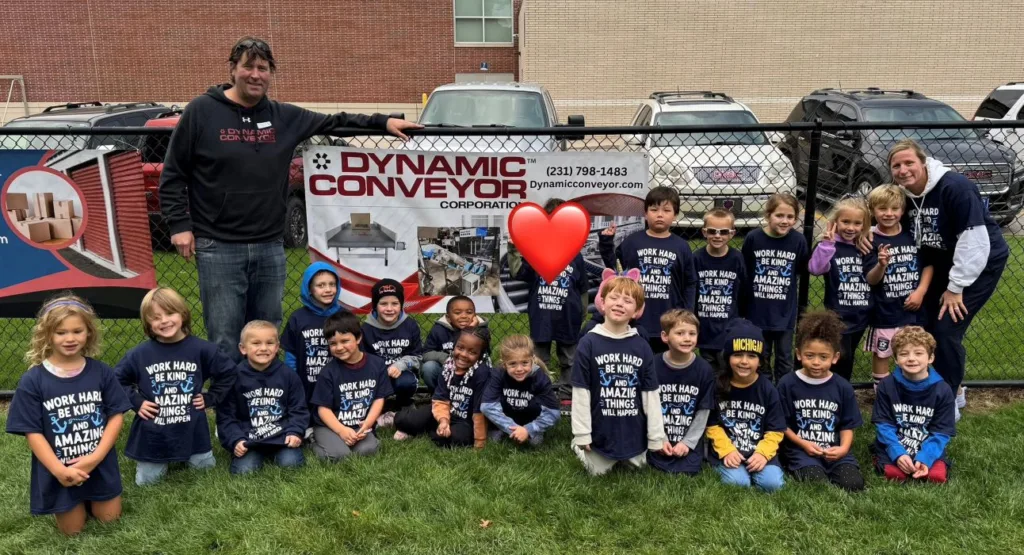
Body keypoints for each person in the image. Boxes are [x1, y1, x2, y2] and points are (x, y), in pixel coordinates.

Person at [159, 36, 421, 362]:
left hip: (270, 245)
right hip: (218, 245)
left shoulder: (284, 117)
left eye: (263, 68)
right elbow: (173, 174)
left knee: (268, 333)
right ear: (233, 69)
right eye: (248, 67)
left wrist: (383, 122)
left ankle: (266, 400)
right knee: (225, 335)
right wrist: (179, 224)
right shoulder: (202, 111)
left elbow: (336, 122)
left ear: (270, 73)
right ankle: (230, 406)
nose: (256, 75)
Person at [888, 139, 1008, 419]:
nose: (903, 170)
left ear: (923, 162)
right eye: (897, 166)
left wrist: (956, 288)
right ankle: (935, 387)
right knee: (925, 323)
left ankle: (950, 398)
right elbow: (881, 211)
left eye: (909, 163)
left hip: (979, 262)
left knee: (945, 329)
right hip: (942, 261)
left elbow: (974, 242)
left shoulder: (955, 187)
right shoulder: (904, 194)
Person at [5, 294, 131, 535]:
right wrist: (59, 470)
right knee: (72, 532)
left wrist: (95, 458)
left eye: (77, 331)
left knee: (110, 521)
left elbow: (116, 415)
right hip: (60, 469)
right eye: (61, 332)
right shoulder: (33, 380)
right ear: (47, 335)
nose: (70, 338)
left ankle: (93, 496)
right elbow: (32, 432)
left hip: (99, 465)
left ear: (89, 333)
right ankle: (74, 499)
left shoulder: (101, 372)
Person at [115, 287, 237, 485]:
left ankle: (189, 454)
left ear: (183, 314)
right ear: (147, 323)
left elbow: (229, 373)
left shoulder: (202, 349)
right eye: (156, 317)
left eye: (170, 313)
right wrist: (136, 402)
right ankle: (159, 458)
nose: (164, 321)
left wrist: (211, 397)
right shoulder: (139, 355)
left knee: (205, 472)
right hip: (154, 433)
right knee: (147, 482)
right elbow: (116, 380)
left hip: (193, 430)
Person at [570, 273, 668, 476]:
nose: (619, 304)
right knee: (596, 471)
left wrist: (656, 437)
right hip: (600, 430)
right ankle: (577, 445)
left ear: (637, 311)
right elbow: (581, 391)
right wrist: (582, 434)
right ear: (602, 303)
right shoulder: (588, 343)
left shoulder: (642, 346)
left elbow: (651, 394)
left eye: (628, 300)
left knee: (639, 467)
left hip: (633, 431)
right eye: (614, 298)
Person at [599, 186, 697, 354]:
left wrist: (686, 313)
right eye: (654, 209)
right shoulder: (632, 242)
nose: (660, 214)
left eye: (666, 210)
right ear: (645, 214)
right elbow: (615, 271)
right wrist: (606, 243)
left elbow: (690, 282)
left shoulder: (682, 247)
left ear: (675, 215)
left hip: (669, 320)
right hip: (636, 320)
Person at [507, 198, 588, 394]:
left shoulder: (575, 255)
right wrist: (513, 249)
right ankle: (540, 388)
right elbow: (518, 272)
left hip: (568, 315)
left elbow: (582, 287)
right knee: (539, 355)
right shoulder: (535, 251)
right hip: (542, 314)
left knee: (569, 356)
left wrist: (582, 312)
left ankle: (568, 388)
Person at [777, 311, 865, 492]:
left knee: (853, 484)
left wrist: (843, 448)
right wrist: (803, 444)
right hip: (801, 450)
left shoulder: (842, 387)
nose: (816, 362)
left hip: (834, 451)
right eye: (810, 356)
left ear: (835, 357)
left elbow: (847, 426)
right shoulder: (787, 383)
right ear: (799, 354)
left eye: (823, 357)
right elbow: (783, 425)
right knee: (815, 482)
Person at [216, 320, 308, 475]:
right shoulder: (232, 379)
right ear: (243, 348)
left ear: (277, 347)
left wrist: (294, 432)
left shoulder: (289, 376)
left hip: (281, 437)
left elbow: (298, 409)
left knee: (292, 465)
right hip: (249, 439)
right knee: (244, 472)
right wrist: (236, 440)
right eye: (256, 343)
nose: (264, 348)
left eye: (269, 343)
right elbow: (226, 416)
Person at [705, 319, 786, 492]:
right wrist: (726, 450)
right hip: (729, 450)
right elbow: (711, 425)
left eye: (751, 356)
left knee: (772, 484)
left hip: (758, 450)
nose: (744, 361)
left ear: (761, 361)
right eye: (737, 354)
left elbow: (776, 430)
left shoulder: (768, 390)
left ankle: (758, 467)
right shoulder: (717, 386)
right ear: (727, 358)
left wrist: (762, 454)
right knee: (738, 483)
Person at [864, 184, 933, 385]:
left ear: (902, 211)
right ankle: (883, 394)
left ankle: (913, 390)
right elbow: (871, 279)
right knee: (882, 354)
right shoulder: (870, 239)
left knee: (915, 351)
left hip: (913, 310)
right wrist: (881, 264)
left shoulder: (913, 235)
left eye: (894, 209)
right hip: (885, 311)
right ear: (873, 211)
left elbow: (928, 265)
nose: (889, 214)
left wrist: (921, 291)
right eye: (882, 209)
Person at [871, 326, 956, 483]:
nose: (911, 358)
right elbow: (884, 424)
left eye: (918, 353)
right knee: (896, 475)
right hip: (896, 442)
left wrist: (926, 457)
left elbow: (942, 431)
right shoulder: (887, 385)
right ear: (896, 359)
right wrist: (898, 454)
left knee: (936, 477)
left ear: (930, 358)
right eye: (904, 354)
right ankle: (881, 455)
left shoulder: (943, 390)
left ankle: (925, 459)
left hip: (926, 442)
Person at [741, 193, 809, 382]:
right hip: (757, 311)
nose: (785, 221)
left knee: (784, 359)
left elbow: (802, 268)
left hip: (784, 313)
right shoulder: (754, 238)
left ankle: (783, 394)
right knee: (760, 357)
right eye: (779, 215)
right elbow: (746, 271)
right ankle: (764, 391)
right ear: (768, 215)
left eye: (790, 217)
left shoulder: (798, 241)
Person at [309, 311, 393, 460]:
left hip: (358, 424)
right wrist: (341, 431)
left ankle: (346, 441)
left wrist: (368, 423)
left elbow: (379, 398)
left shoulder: (377, 365)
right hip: (329, 425)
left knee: (367, 450)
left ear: (358, 338)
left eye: (345, 341)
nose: (339, 347)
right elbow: (323, 409)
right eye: (333, 343)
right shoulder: (328, 372)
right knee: (340, 456)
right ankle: (313, 441)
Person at [808, 197, 875, 381]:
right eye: (845, 221)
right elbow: (815, 268)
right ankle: (832, 387)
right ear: (835, 221)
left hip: (862, 312)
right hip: (838, 314)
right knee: (839, 356)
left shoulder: (865, 245)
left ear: (864, 225)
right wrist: (827, 245)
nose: (850, 228)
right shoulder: (829, 245)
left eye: (857, 223)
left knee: (849, 355)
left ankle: (842, 390)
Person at [393, 327, 493, 448]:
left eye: (472, 352)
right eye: (460, 348)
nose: (464, 355)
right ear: (454, 346)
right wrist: (443, 420)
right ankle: (431, 427)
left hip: (465, 420)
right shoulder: (448, 367)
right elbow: (440, 399)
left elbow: (480, 410)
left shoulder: (482, 374)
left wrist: (480, 441)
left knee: (455, 439)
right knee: (401, 419)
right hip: (443, 412)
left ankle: (429, 430)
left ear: (481, 355)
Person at [647, 310, 715, 476]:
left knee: (688, 469)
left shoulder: (704, 370)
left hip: (688, 439)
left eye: (692, 333)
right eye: (680, 333)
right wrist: (659, 439)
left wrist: (687, 443)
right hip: (657, 436)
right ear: (665, 336)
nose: (687, 338)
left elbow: (703, 410)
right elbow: (647, 406)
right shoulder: (653, 366)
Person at [281, 262, 342, 425]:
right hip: (306, 379)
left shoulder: (344, 316)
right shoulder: (298, 318)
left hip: (336, 379)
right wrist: (292, 381)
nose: (328, 289)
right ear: (309, 289)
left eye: (332, 284)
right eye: (321, 285)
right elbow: (291, 353)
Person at [360, 278, 422, 427]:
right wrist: (379, 370)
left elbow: (418, 356)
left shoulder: (411, 325)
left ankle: (405, 403)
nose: (389, 308)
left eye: (395, 303)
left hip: (402, 373)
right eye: (383, 303)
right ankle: (380, 406)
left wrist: (400, 365)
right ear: (375, 306)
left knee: (406, 382)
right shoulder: (366, 328)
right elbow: (362, 358)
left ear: (401, 304)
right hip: (376, 374)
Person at [481, 335, 561, 446]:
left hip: (530, 420)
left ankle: (533, 431)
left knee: (534, 443)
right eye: (513, 364)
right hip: (504, 419)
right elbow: (487, 406)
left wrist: (529, 429)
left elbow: (553, 413)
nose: (519, 369)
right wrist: (513, 429)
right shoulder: (498, 374)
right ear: (504, 363)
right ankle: (501, 430)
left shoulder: (540, 378)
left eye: (524, 363)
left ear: (532, 360)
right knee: (493, 441)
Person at [694, 208, 746, 366]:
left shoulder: (737, 259)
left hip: (728, 327)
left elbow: (743, 290)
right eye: (712, 231)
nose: (717, 236)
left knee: (727, 371)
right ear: (704, 232)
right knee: (707, 369)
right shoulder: (696, 258)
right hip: (705, 327)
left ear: (732, 233)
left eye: (723, 232)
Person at [421, 296, 489, 391]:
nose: (464, 316)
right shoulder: (438, 329)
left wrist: (471, 330)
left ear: (475, 315)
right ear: (448, 317)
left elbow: (484, 356)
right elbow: (426, 354)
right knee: (429, 368)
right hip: (446, 369)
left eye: (469, 312)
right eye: (457, 313)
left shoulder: (481, 330)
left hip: (471, 369)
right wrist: (447, 358)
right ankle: (438, 395)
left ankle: (472, 398)